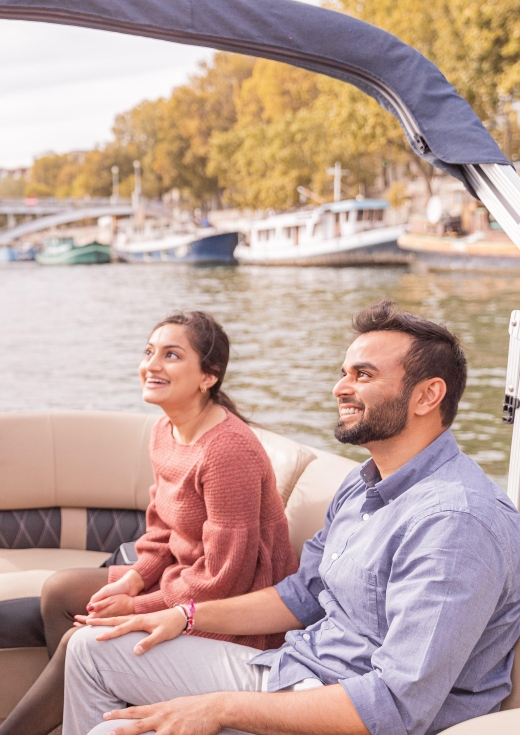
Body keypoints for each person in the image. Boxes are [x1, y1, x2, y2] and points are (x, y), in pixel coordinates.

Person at [64, 299, 520, 735]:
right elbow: (303, 596)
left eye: (363, 375)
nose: (341, 387)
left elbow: (395, 706)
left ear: (428, 396)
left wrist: (220, 707)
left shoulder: (456, 524)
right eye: (344, 373)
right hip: (294, 669)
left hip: (344, 711)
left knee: (114, 729)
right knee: (90, 650)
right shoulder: (364, 484)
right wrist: (183, 615)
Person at [0, 310, 297, 735]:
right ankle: (87, 703)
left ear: (208, 376)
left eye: (171, 355)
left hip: (231, 612)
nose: (152, 365)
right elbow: (160, 530)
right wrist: (134, 581)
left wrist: (137, 609)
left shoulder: (228, 453)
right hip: (183, 581)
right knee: (60, 592)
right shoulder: (166, 431)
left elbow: (224, 579)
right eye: (149, 351)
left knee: (80, 642)